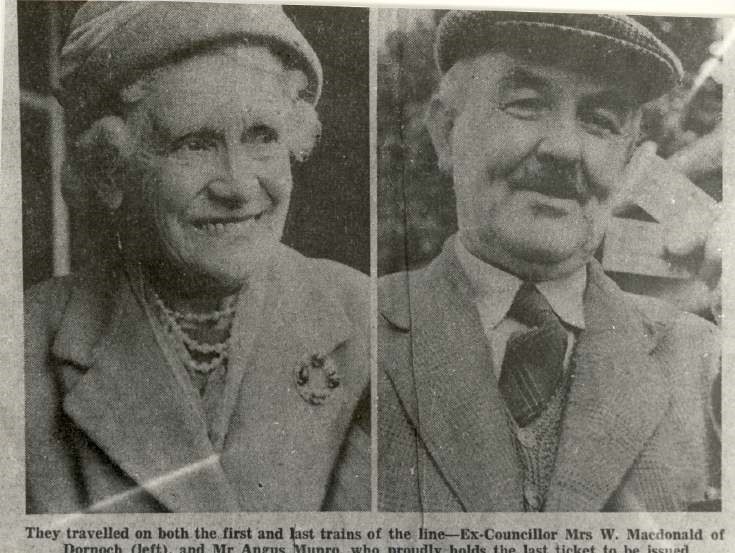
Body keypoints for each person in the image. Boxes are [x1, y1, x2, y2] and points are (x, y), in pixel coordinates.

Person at [25, 2, 369, 513]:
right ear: (111, 170)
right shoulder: (25, 343)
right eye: (195, 144)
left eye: (262, 138)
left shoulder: (366, 318)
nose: (237, 186)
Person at [378, 11, 720, 512]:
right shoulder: (349, 329)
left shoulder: (706, 358)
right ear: (445, 131)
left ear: (627, 160)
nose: (563, 148)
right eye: (526, 104)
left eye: (600, 121)